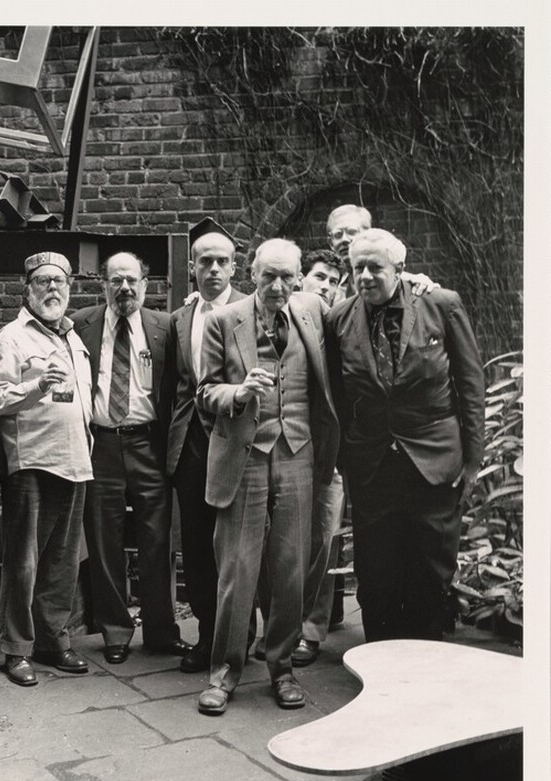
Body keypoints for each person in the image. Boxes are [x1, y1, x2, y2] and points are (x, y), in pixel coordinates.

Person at [196, 238, 339, 715]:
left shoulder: (313, 310)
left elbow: (359, 308)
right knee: (237, 569)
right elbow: (204, 391)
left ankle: (282, 669)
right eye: (268, 276)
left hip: (298, 452)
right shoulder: (222, 320)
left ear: (299, 277)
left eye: (287, 277)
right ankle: (224, 674)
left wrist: (416, 282)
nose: (277, 286)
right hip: (245, 456)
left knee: (291, 568)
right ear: (251, 274)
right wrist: (237, 394)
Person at [325, 228, 485, 642]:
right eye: (357, 267)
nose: (364, 276)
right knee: (376, 570)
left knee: (431, 568)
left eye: (374, 267)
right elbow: (337, 395)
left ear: (399, 268)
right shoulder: (339, 318)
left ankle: (426, 656)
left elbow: (470, 383)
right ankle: (379, 657)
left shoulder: (440, 305)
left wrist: (472, 460)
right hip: (372, 465)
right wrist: (346, 457)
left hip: (434, 461)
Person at [72, 252, 189, 666]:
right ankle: (115, 632)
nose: (124, 288)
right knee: (104, 540)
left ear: (145, 283)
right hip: (101, 444)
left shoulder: (165, 326)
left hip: (148, 444)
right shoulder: (80, 324)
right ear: (102, 284)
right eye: (115, 280)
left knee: (158, 540)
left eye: (131, 280)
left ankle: (160, 631)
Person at [0, 253, 93, 687]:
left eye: (60, 281)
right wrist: (36, 385)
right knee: (24, 563)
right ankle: (16, 649)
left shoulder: (73, 337)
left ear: (69, 287)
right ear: (27, 289)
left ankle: (53, 640)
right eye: (42, 281)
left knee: (63, 562)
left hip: (75, 461)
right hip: (32, 460)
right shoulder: (12, 337)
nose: (52, 288)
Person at [164, 219, 248, 674]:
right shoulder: (181, 318)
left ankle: (239, 637)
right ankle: (206, 636)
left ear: (234, 267)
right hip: (191, 444)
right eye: (205, 261)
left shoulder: (251, 310)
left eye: (222, 261)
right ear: (192, 267)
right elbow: (174, 387)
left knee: (235, 546)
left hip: (235, 441)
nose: (213, 269)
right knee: (196, 546)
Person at [290, 248, 346, 665]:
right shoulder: (281, 316)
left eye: (333, 281)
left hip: (331, 451)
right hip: (288, 447)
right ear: (300, 279)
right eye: (319, 277)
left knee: (324, 539)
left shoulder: (342, 320)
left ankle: (310, 630)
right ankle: (282, 625)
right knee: (285, 543)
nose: (325, 286)